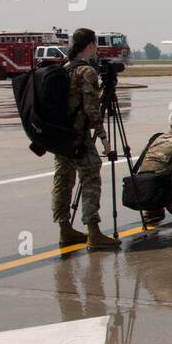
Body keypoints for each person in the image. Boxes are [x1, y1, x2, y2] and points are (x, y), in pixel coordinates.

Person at [51, 28, 119, 250]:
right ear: (89, 45)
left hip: (61, 137)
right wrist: (104, 139)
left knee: (63, 181)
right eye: (95, 45)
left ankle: (64, 229)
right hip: (80, 137)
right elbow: (91, 109)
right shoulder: (86, 72)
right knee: (90, 178)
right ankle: (94, 232)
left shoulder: (65, 69)